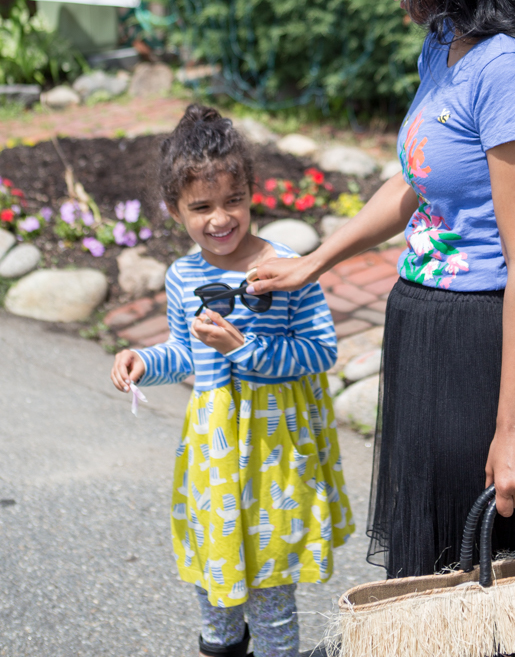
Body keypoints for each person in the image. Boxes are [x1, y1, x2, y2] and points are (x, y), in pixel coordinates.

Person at [248, 0, 515, 581]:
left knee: (488, 589)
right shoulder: (444, 42)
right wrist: (314, 263)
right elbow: (414, 183)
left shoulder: (510, 70)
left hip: (484, 348)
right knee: (431, 584)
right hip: (423, 332)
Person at [110, 105, 352, 657]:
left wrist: (245, 350)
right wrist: (145, 360)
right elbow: (185, 353)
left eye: (233, 201)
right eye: (201, 207)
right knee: (215, 589)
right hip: (215, 454)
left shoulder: (287, 266)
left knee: (271, 591)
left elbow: (321, 351)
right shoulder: (183, 275)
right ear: (174, 209)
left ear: (250, 194)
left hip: (276, 452)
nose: (220, 219)